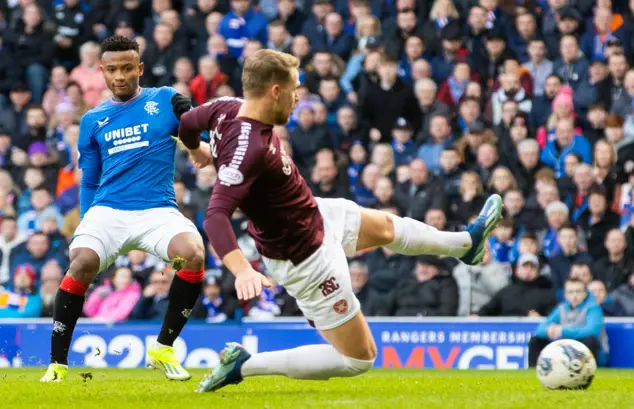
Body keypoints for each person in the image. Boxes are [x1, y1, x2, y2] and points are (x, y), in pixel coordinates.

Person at [176, 49, 503, 393]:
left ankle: (466, 244)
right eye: (295, 88)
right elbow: (214, 217)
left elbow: (186, 124)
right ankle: (246, 364)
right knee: (359, 359)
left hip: (313, 212)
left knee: (389, 228)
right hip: (304, 257)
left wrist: (196, 150)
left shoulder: (225, 108)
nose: (298, 97)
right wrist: (242, 269)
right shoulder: (249, 152)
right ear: (275, 90)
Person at [41, 35, 206, 383]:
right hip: (108, 212)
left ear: (140, 68)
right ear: (101, 70)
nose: (120, 76)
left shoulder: (163, 100)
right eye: (112, 69)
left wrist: (193, 130)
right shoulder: (92, 120)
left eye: (127, 68)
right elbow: (89, 180)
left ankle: (163, 348)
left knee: (192, 255)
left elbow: (193, 130)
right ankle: (57, 364)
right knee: (82, 263)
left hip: (157, 210)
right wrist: (87, 221)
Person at [528, 278, 608, 367]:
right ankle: (534, 371)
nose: (575, 295)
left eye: (578, 291)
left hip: (592, 354)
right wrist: (548, 331)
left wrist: (563, 331)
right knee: (536, 339)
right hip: (565, 352)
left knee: (590, 340)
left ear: (585, 294)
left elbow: (592, 330)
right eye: (571, 292)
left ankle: (588, 370)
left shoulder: (593, 308)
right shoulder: (561, 308)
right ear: (565, 295)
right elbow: (539, 329)